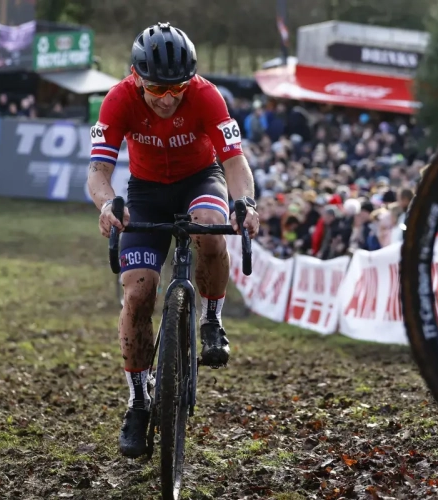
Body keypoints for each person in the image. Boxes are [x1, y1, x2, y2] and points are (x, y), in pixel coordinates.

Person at [86, 22, 260, 459]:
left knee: (210, 227)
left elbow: (235, 163)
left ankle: (212, 318)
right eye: (156, 89)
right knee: (139, 293)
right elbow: (97, 172)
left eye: (176, 88)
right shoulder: (118, 98)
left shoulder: (207, 96)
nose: (167, 99)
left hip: (201, 180)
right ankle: (138, 401)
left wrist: (247, 204)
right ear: (134, 75)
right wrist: (108, 204)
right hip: (146, 193)